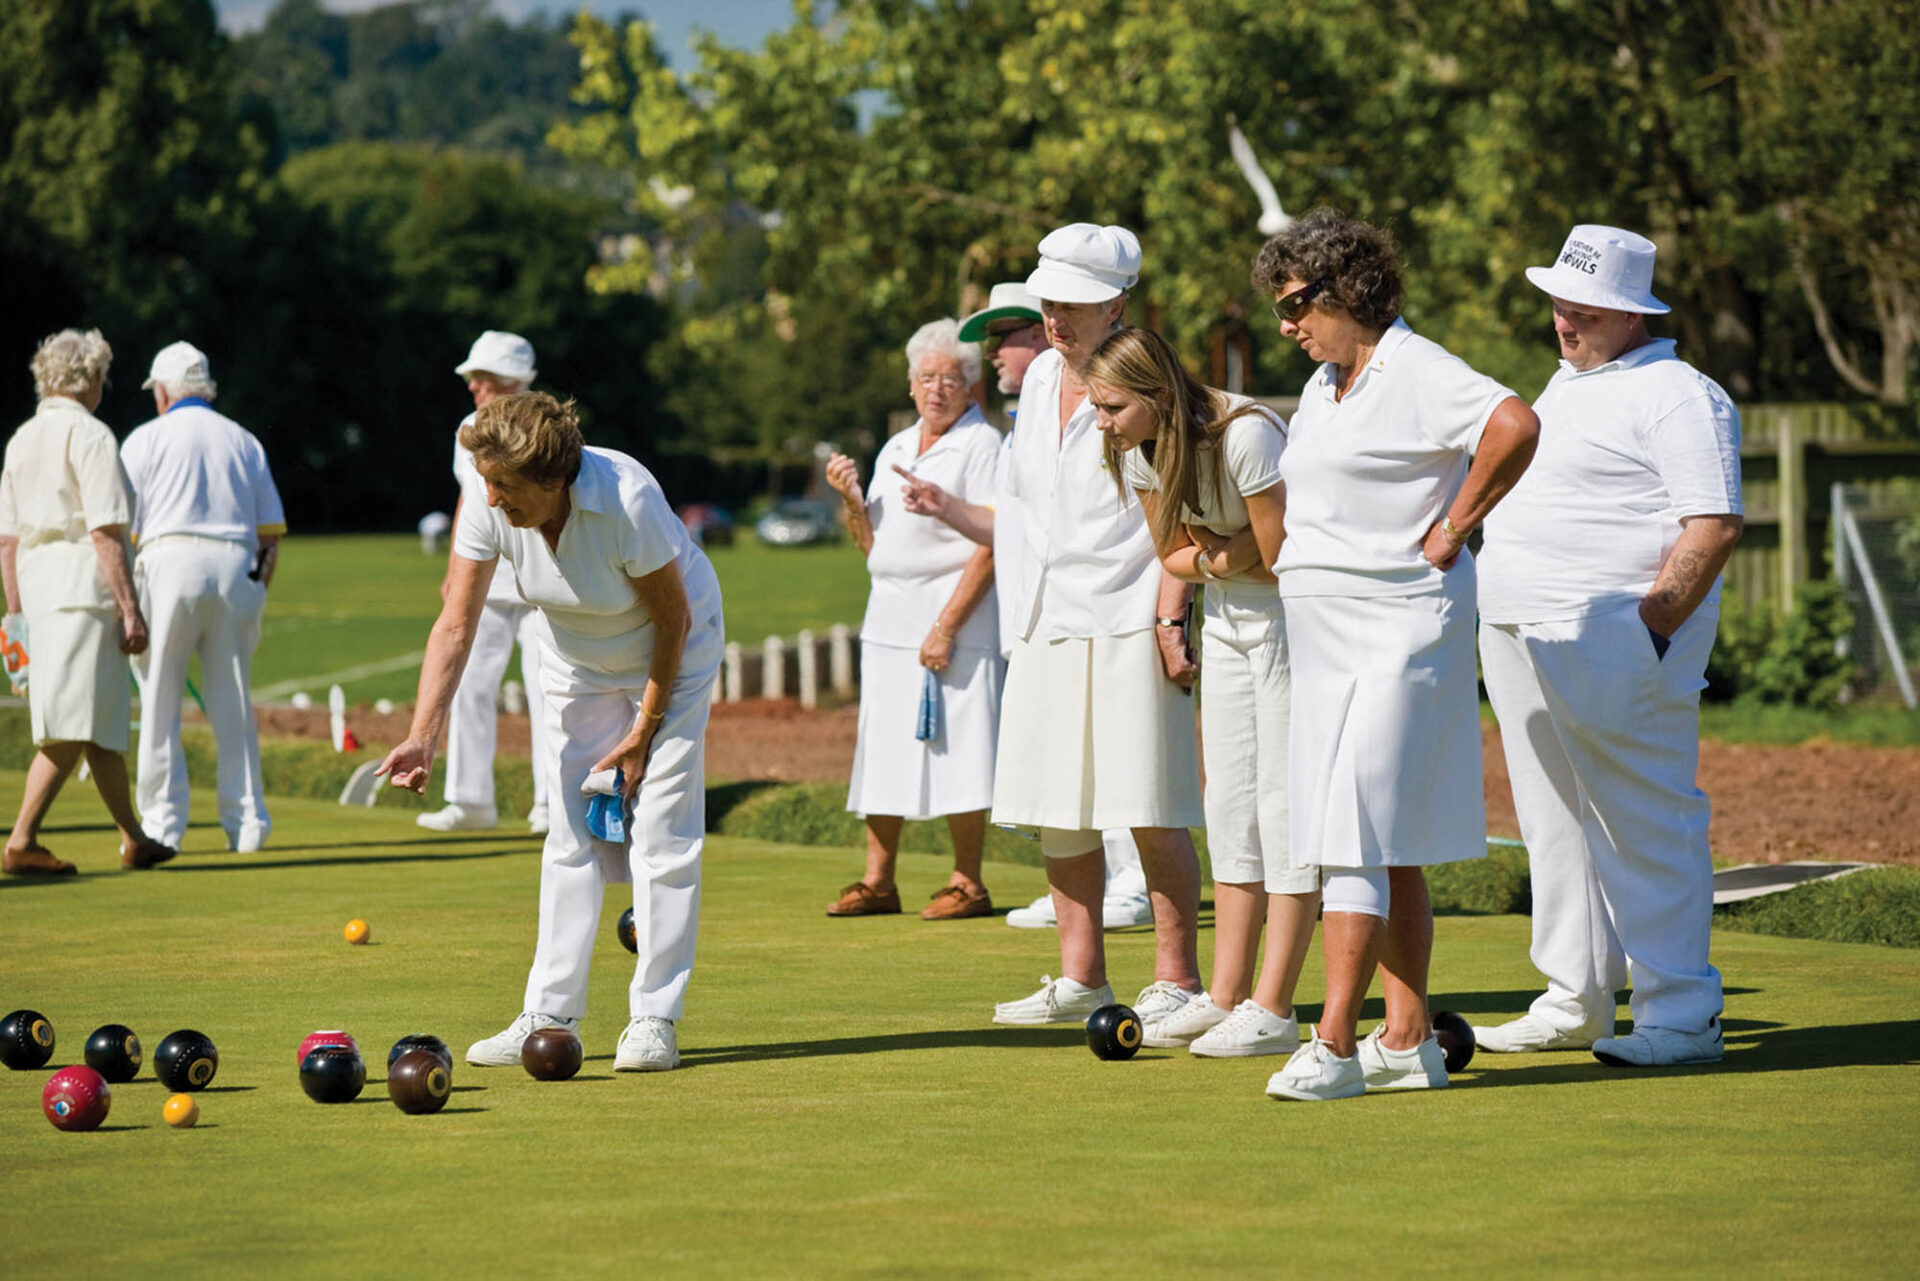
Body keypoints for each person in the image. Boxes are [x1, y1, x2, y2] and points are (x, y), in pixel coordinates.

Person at [1251, 210, 1540, 1101]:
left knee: (1354, 830)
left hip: (1400, 627)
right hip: (1326, 635)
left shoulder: (1417, 367)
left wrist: (1457, 524)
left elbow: (1514, 423)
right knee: (1392, 838)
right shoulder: (1327, 385)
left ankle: (1334, 1042)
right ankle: (1407, 1039)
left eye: (1297, 303)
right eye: (1279, 308)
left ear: (1350, 288)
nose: (1287, 324)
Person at [378, 391, 724, 1074]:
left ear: (554, 479)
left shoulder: (628, 499)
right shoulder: (488, 500)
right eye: (487, 482)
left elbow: (673, 619)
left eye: (506, 486)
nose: (493, 498)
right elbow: (456, 622)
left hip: (672, 654)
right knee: (571, 829)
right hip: (573, 658)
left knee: (661, 826)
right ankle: (549, 1008)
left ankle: (655, 1017)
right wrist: (423, 732)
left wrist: (644, 732)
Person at [1474, 226, 1743, 1067]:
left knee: (1645, 821)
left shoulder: (1679, 393)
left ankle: (1683, 1012)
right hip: (1524, 631)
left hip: (1613, 640)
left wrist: (1648, 631)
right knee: (1555, 820)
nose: (1564, 320)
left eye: (1584, 308)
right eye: (1559, 303)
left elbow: (1714, 523)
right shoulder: (1568, 383)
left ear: (1633, 313)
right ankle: (1577, 994)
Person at [979, 223, 1207, 1037]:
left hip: (1125, 616)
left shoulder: (1153, 380)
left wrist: (1170, 610)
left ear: (1117, 304)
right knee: (1057, 805)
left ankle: (1177, 979)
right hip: (1041, 618)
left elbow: (1174, 503)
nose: (1054, 315)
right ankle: (1082, 974)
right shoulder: (1039, 377)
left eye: (1072, 300)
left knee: (1150, 798)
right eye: (1048, 297)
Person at [1085, 326, 1320, 1057]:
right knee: (1231, 802)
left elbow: (1283, 555)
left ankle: (1274, 1006)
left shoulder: (1246, 433)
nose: (1102, 423)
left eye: (1113, 407)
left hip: (1291, 622)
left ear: (1156, 394)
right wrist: (1226, 554)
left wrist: (1215, 552)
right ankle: (1225, 996)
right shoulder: (1145, 450)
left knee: (1282, 804)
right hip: (1226, 622)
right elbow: (1172, 556)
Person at [956, 282, 1154, 932]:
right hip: (1039, 616)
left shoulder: (1134, 387)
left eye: (1006, 336)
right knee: (1060, 781)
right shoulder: (1038, 391)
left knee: (1126, 773)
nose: (997, 353)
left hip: (1118, 612)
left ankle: (1135, 887)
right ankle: (1082, 935)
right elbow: (1020, 516)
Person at [822, 319, 1003, 920]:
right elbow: (875, 547)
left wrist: (947, 625)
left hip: (956, 616)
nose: (937, 389)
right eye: (927, 378)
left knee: (962, 746)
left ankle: (968, 880)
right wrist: (852, 502)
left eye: (951, 378)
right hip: (889, 618)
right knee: (884, 747)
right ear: (909, 384)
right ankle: (879, 880)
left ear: (970, 385)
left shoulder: (984, 446)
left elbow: (992, 543)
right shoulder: (897, 446)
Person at [0, 329, 175, 874]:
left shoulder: (21, 438)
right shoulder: (92, 435)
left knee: (100, 725)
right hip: (82, 592)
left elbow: (7, 540)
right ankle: (22, 840)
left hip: (39, 590)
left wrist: (15, 615)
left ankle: (135, 837)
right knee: (73, 725)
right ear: (90, 378)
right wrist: (131, 608)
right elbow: (105, 532)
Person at [121, 341, 286, 853]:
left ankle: (162, 823)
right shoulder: (243, 439)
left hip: (167, 562)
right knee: (232, 699)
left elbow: (120, 529)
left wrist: (126, 604)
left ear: (165, 392)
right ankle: (248, 823)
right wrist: (255, 593)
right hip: (236, 566)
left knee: (159, 698)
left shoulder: (143, 439)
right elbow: (270, 534)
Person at [417, 331, 552, 834]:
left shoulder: (545, 429)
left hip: (539, 583)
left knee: (548, 691)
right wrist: (455, 574)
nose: (473, 385)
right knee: (469, 685)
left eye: (484, 377)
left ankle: (549, 803)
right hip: (487, 583)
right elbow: (467, 505)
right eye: (473, 377)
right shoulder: (468, 428)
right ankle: (470, 800)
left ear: (512, 381)